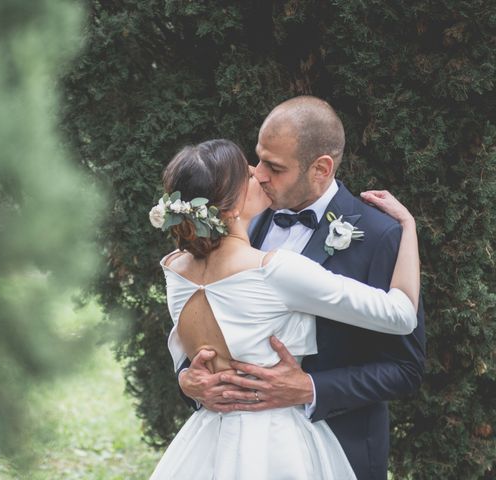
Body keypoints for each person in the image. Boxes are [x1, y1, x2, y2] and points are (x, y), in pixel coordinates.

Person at [177, 97, 426, 479]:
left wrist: (310, 388)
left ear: (321, 168)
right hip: (233, 451)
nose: (258, 175)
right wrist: (188, 377)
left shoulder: (379, 236)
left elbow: (406, 368)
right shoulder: (245, 221)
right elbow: (198, 314)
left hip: (339, 446)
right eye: (258, 159)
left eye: (274, 167)